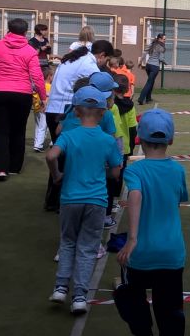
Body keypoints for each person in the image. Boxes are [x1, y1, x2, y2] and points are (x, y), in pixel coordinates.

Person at [115, 108, 189, 336]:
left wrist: (133, 238)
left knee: (126, 292)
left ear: (140, 139)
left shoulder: (135, 171)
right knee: (171, 310)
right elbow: (177, 201)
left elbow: (135, 195)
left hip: (143, 252)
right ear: (171, 140)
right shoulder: (178, 170)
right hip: (171, 253)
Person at [46, 86, 123, 315]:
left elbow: (51, 155)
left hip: (70, 198)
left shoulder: (69, 136)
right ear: (103, 113)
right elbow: (116, 172)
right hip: (97, 200)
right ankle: (79, 296)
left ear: (76, 111)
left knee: (68, 242)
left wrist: (57, 175)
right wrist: (103, 171)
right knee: (88, 248)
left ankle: (60, 287)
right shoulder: (107, 140)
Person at [44, 40, 115, 210]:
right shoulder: (89, 64)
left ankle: (54, 199)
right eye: (106, 61)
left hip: (58, 109)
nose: (104, 65)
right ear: (102, 55)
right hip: (68, 111)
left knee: (61, 157)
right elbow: (97, 87)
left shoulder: (76, 58)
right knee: (71, 159)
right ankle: (62, 199)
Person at [0, 18, 47, 181]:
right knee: (18, 130)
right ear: (25, 32)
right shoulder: (30, 50)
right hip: (22, 94)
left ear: (8, 29)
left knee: (0, 131)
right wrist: (43, 97)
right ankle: (15, 166)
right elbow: (37, 76)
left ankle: (0, 169)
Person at [109, 74, 138, 228]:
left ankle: (109, 199)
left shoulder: (110, 105)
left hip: (110, 144)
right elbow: (133, 128)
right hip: (124, 146)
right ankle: (114, 200)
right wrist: (132, 145)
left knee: (109, 173)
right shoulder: (130, 106)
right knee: (120, 173)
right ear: (127, 89)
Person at [138, 33, 166, 105]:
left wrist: (140, 61)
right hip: (154, 67)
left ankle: (148, 98)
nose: (165, 40)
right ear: (159, 39)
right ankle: (141, 98)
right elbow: (161, 58)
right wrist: (165, 62)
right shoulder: (162, 47)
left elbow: (144, 52)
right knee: (149, 82)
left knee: (151, 81)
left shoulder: (152, 44)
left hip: (148, 66)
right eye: (164, 39)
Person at [32, 67, 54, 153]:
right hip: (44, 109)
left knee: (38, 127)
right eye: (52, 76)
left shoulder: (39, 86)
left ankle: (36, 143)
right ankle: (38, 145)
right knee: (43, 127)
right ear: (49, 76)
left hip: (36, 109)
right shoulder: (49, 87)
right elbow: (47, 98)